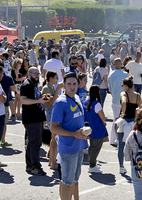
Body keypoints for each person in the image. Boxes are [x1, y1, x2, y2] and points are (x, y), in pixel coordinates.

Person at [51, 72, 89, 200]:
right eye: (69, 84)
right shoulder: (60, 102)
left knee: (73, 180)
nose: (72, 87)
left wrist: (83, 131)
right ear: (64, 86)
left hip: (79, 146)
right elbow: (53, 127)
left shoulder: (76, 97)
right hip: (68, 149)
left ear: (78, 84)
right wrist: (74, 134)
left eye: (74, 84)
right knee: (67, 182)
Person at [20, 67, 47, 175]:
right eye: (35, 74)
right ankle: (36, 167)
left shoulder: (33, 84)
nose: (37, 75)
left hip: (36, 117)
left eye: (38, 74)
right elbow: (23, 100)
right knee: (35, 143)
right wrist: (38, 100)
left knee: (31, 143)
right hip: (31, 119)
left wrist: (42, 99)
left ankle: (30, 165)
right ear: (29, 74)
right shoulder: (26, 85)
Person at [117, 76, 142, 174]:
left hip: (124, 122)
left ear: (126, 86)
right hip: (133, 122)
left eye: (123, 85)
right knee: (135, 145)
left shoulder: (124, 93)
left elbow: (123, 102)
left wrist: (123, 113)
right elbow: (140, 107)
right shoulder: (137, 95)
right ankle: (135, 164)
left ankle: (121, 166)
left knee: (121, 145)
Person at [83, 85, 108, 174]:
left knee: (92, 146)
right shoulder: (96, 104)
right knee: (96, 148)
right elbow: (102, 117)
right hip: (97, 129)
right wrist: (104, 122)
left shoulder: (86, 102)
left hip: (89, 129)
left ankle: (92, 163)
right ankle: (92, 165)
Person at [42, 70, 63, 170]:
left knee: (53, 137)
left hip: (53, 111)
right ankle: (52, 161)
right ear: (50, 78)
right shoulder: (46, 88)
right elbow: (52, 102)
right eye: (56, 78)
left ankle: (51, 157)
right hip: (50, 111)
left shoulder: (52, 87)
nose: (57, 80)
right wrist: (58, 89)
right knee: (54, 137)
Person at [107, 58, 129, 145]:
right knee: (121, 121)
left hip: (114, 100)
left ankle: (113, 139)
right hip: (123, 100)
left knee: (115, 120)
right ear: (121, 64)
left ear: (114, 65)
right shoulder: (125, 74)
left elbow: (110, 89)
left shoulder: (110, 75)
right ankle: (119, 138)